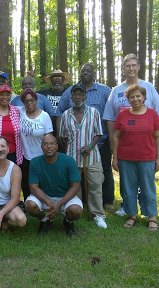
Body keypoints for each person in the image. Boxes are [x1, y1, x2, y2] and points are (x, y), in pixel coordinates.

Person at [103, 54, 159, 216]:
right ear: (123, 69)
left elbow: (157, 118)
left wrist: (158, 153)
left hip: (145, 146)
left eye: (133, 65)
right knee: (126, 180)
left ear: (138, 67)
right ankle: (127, 206)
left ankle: (147, 211)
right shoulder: (116, 91)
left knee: (146, 181)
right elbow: (109, 117)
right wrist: (111, 141)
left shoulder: (149, 88)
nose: (130, 68)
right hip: (124, 145)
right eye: (127, 66)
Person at [56, 64, 114, 213]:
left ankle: (104, 205)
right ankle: (78, 206)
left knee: (101, 175)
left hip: (98, 145)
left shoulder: (104, 91)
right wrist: (60, 136)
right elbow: (59, 113)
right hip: (73, 151)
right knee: (75, 182)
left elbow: (110, 112)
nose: (85, 73)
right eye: (83, 71)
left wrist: (95, 144)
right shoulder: (68, 102)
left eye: (88, 70)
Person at [111, 85, 159, 231]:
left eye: (138, 96)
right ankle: (131, 214)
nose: (135, 99)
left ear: (144, 97)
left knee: (148, 187)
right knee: (128, 188)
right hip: (126, 158)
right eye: (132, 97)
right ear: (128, 99)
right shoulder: (123, 115)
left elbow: (158, 136)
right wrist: (115, 158)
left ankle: (151, 216)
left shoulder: (152, 114)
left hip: (147, 157)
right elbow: (116, 136)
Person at [59, 84, 107, 229]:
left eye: (80, 94)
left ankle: (98, 215)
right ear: (71, 97)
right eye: (75, 95)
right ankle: (74, 212)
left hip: (92, 157)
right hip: (72, 158)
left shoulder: (94, 112)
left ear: (85, 97)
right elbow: (63, 137)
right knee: (74, 187)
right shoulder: (66, 114)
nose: (77, 97)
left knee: (95, 185)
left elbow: (99, 133)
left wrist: (90, 146)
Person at [25, 134, 82, 236]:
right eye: (45, 144)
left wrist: (58, 205)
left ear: (57, 146)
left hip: (65, 197)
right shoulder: (35, 162)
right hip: (45, 196)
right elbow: (33, 187)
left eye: (52, 144)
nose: (49, 146)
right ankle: (45, 220)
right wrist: (49, 202)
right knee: (29, 205)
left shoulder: (69, 161)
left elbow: (76, 186)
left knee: (76, 211)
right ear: (41, 147)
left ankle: (68, 222)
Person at [16, 89, 53, 202]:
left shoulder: (44, 116)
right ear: (23, 103)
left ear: (36, 100)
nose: (29, 103)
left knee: (41, 182)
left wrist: (48, 154)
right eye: (26, 101)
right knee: (26, 181)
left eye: (32, 100)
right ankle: (28, 203)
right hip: (24, 155)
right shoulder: (19, 111)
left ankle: (45, 203)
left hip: (40, 155)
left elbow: (49, 136)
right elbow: (3, 106)